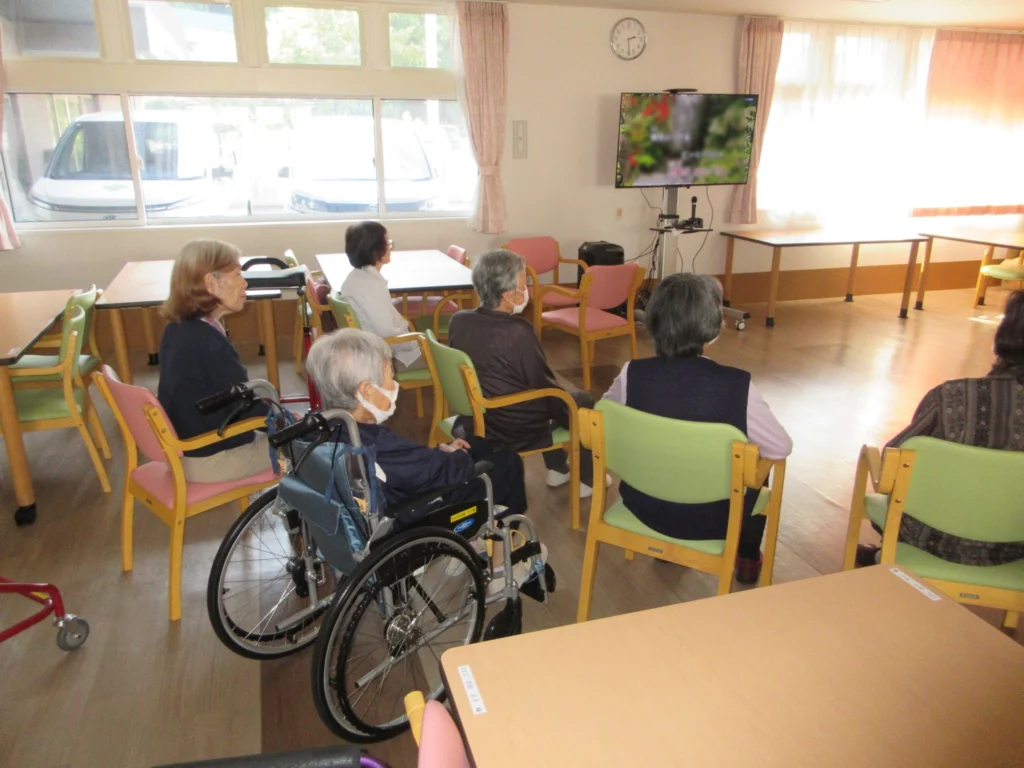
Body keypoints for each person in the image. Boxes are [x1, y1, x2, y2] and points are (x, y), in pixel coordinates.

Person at [601, 273, 793, 584]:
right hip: (714, 518)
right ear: (712, 326)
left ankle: (666, 550)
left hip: (644, 506)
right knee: (757, 459)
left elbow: (602, 417)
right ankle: (746, 556)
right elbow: (780, 447)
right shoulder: (737, 385)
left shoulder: (631, 373)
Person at [856, 289, 1024, 568]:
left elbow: (891, 468)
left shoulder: (951, 396)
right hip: (1016, 549)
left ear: (1005, 336)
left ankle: (880, 558)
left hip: (932, 539)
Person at [304, 328, 528, 523]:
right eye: (390, 377)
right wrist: (456, 457)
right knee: (508, 463)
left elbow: (409, 463)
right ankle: (501, 548)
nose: (395, 385)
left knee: (476, 444)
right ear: (367, 391)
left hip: (385, 492)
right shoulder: (378, 443)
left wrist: (441, 453)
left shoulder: (319, 428)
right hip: (415, 515)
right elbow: (440, 471)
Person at [448, 249, 604, 497]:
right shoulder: (519, 331)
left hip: (476, 419)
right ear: (508, 295)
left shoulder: (458, 320)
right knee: (580, 400)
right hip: (511, 428)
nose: (526, 289)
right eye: (524, 283)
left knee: (545, 399)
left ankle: (558, 468)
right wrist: (570, 417)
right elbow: (544, 387)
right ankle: (589, 480)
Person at [158, 240, 276, 484]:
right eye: (237, 274)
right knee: (315, 443)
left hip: (185, 452)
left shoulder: (177, 329)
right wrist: (286, 422)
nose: (245, 283)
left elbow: (230, 398)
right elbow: (244, 407)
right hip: (213, 459)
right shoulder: (208, 343)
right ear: (211, 283)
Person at [338, 221, 422, 370]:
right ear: (375, 249)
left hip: (367, 351)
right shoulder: (373, 286)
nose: (390, 247)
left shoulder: (353, 277)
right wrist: (418, 342)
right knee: (451, 361)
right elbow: (387, 332)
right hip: (387, 357)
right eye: (387, 242)